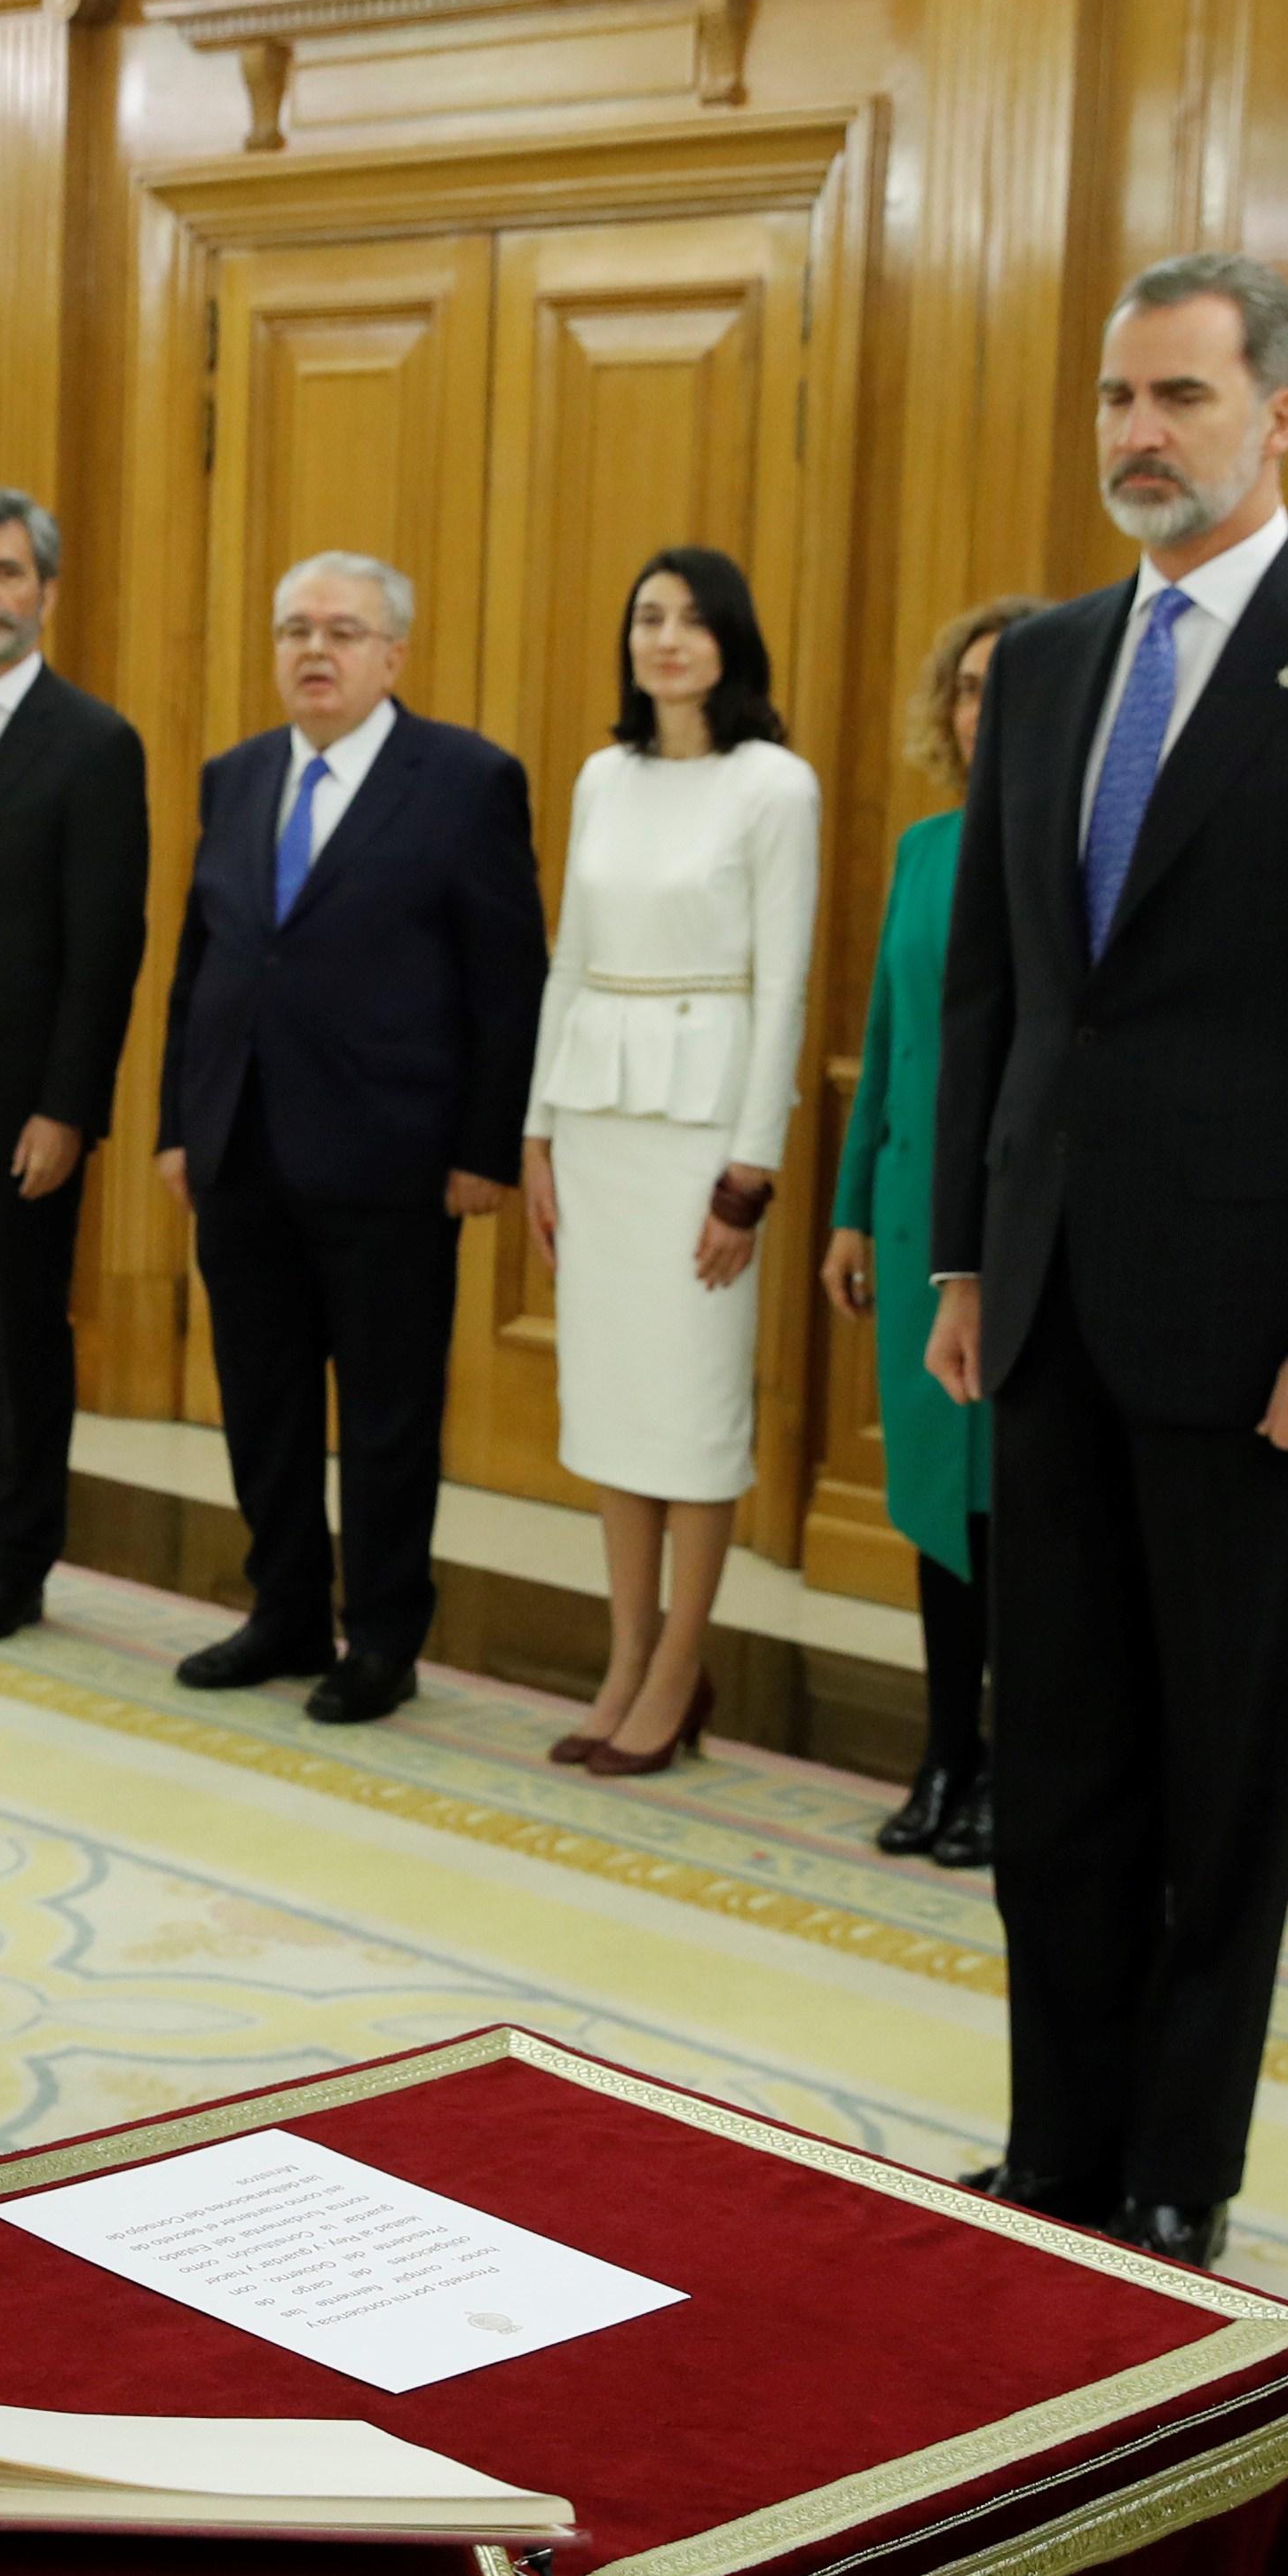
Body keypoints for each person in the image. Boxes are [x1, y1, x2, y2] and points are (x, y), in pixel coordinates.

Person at [926, 250, 1288, 2271]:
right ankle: (1055, 2143)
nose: (1133, 436)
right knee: (1055, 1751)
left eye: (1173, 397)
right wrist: (960, 1260)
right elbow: (992, 991)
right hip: (1053, 1302)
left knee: (1213, 1778)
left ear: (1280, 415)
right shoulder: (1060, 659)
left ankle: (1177, 2165)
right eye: (1112, 399)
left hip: (1261, 1331)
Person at [154, 552, 546, 1724]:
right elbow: (200, 970)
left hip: (392, 1160)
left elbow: (506, 980)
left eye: (341, 630)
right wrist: (181, 1123)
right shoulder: (236, 776)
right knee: (261, 1400)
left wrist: (484, 1148)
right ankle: (283, 1610)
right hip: (241, 1150)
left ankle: (381, 1635)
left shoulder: (467, 781)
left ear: (394, 655)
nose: (313, 650)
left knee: (386, 1414)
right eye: (293, 630)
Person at [517, 547, 819, 1776]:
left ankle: (682, 1662)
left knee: (694, 1414)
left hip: (704, 1135)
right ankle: (625, 1656)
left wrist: (751, 1174)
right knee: (615, 1405)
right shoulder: (603, 775)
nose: (668, 638)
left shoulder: (774, 786)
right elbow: (573, 957)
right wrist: (536, 1130)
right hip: (597, 1121)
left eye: (693, 619)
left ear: (732, 641)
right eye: (648, 616)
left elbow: (788, 982)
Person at [825, 596, 1033, 1863]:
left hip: (1017, 1232)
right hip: (911, 1228)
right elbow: (892, 1045)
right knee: (937, 1514)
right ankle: (944, 1750)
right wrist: (852, 1211)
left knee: (1015, 1518)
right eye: (967, 688)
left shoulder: (1071, 852)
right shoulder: (924, 846)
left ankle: (1017, 1768)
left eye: (1009, 686)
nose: (984, 709)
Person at [0, 487, 150, 1640]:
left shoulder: (95, 745)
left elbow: (105, 951)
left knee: (18, 1332)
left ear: (47, 593)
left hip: (22, 1107)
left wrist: (70, 1109)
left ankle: (17, 1557)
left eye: (7, 575)